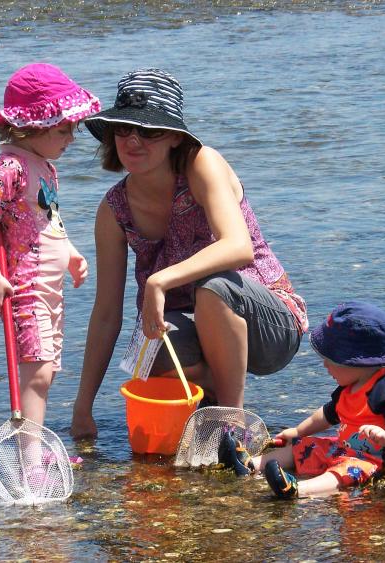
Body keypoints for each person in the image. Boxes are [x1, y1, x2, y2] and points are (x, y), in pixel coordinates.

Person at [70, 68, 307, 440]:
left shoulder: (201, 164)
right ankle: (211, 400)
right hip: (197, 330)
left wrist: (160, 280)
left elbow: (237, 246)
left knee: (212, 288)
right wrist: (83, 408)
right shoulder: (114, 210)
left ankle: (233, 425)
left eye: (149, 131)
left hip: (268, 322)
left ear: (175, 139)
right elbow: (105, 314)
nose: (134, 141)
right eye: (123, 129)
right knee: (146, 349)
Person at [0, 63, 100, 432]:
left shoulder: (42, 164)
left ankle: (34, 445)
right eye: (63, 130)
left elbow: (48, 219)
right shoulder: (11, 168)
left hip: (50, 287)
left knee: (48, 367)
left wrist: (70, 252)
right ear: (31, 126)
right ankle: (30, 457)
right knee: (36, 372)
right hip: (25, 289)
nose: (71, 139)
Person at [219, 301, 385, 499]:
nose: (325, 365)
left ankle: (297, 490)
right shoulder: (349, 386)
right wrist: (297, 432)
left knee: (344, 471)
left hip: (375, 463)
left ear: (356, 362)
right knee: (304, 446)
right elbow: (326, 415)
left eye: (331, 360)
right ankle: (250, 464)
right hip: (344, 449)